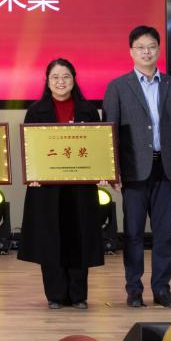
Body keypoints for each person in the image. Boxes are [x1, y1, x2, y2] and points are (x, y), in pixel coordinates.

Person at [103, 25, 171, 309]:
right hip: (133, 170)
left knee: (164, 233)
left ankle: (162, 289)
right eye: (141, 47)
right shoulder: (118, 87)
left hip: (165, 168)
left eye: (152, 46)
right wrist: (112, 170)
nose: (147, 52)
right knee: (132, 233)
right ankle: (134, 290)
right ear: (131, 52)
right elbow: (109, 133)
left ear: (158, 50)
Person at [17, 58, 106, 309]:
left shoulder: (88, 110)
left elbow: (98, 147)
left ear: (74, 80)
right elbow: (30, 148)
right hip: (47, 189)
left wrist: (102, 171)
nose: (60, 82)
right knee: (50, 239)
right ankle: (55, 295)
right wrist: (32, 174)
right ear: (47, 81)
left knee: (79, 236)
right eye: (55, 77)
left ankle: (78, 295)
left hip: (80, 187)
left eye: (66, 76)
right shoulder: (36, 111)